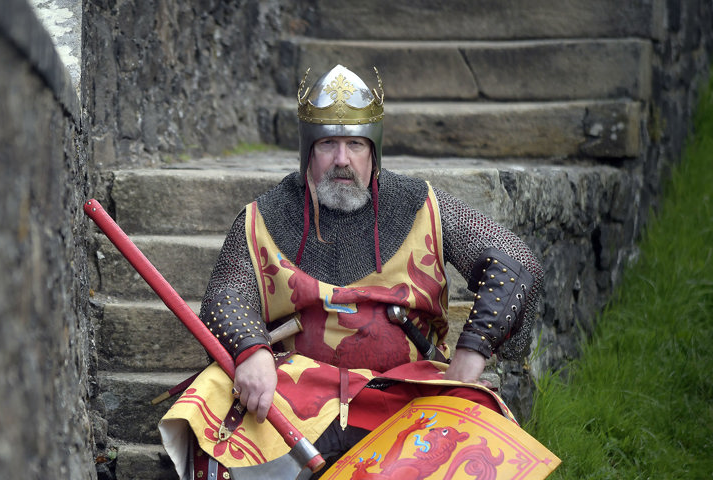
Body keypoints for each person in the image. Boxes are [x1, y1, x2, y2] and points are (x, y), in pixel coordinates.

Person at [158, 64, 543, 478]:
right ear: (308, 150)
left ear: (373, 150)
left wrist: (469, 356)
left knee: (480, 442)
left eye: (355, 144)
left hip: (409, 392)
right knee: (215, 402)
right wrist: (252, 352)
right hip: (295, 393)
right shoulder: (262, 218)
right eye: (328, 144)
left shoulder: (421, 204)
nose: (342, 160)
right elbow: (227, 295)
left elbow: (516, 263)